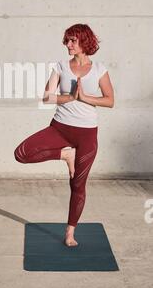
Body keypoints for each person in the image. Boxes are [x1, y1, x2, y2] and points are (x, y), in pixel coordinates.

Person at [14, 24, 114, 247]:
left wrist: (86, 98)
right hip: (60, 127)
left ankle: (70, 233)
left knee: (78, 185)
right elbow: (47, 98)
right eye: (67, 41)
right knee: (21, 153)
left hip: (87, 134)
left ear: (84, 42)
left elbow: (110, 100)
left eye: (72, 41)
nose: (68, 45)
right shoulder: (60, 67)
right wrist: (69, 98)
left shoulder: (99, 69)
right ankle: (65, 155)